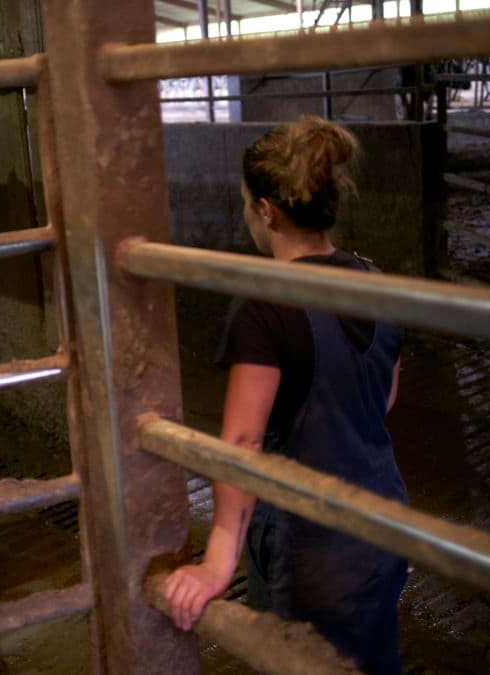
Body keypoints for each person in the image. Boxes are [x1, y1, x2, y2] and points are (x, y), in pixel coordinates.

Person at [163, 116, 407, 674]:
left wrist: (218, 564)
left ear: (267, 210)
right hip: (385, 520)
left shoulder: (264, 306)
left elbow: (243, 441)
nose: (247, 214)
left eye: (247, 204)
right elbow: (384, 398)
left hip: (311, 544)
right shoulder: (381, 280)